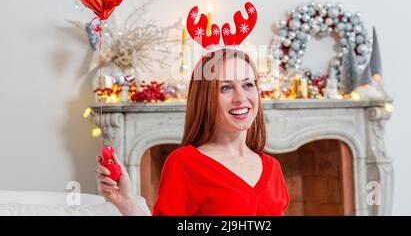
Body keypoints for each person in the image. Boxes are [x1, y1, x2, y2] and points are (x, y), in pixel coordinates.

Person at [96, 48, 290, 215]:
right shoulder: (183, 163)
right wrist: (127, 203)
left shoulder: (273, 168)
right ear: (205, 99)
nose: (241, 98)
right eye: (225, 87)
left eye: (248, 85)